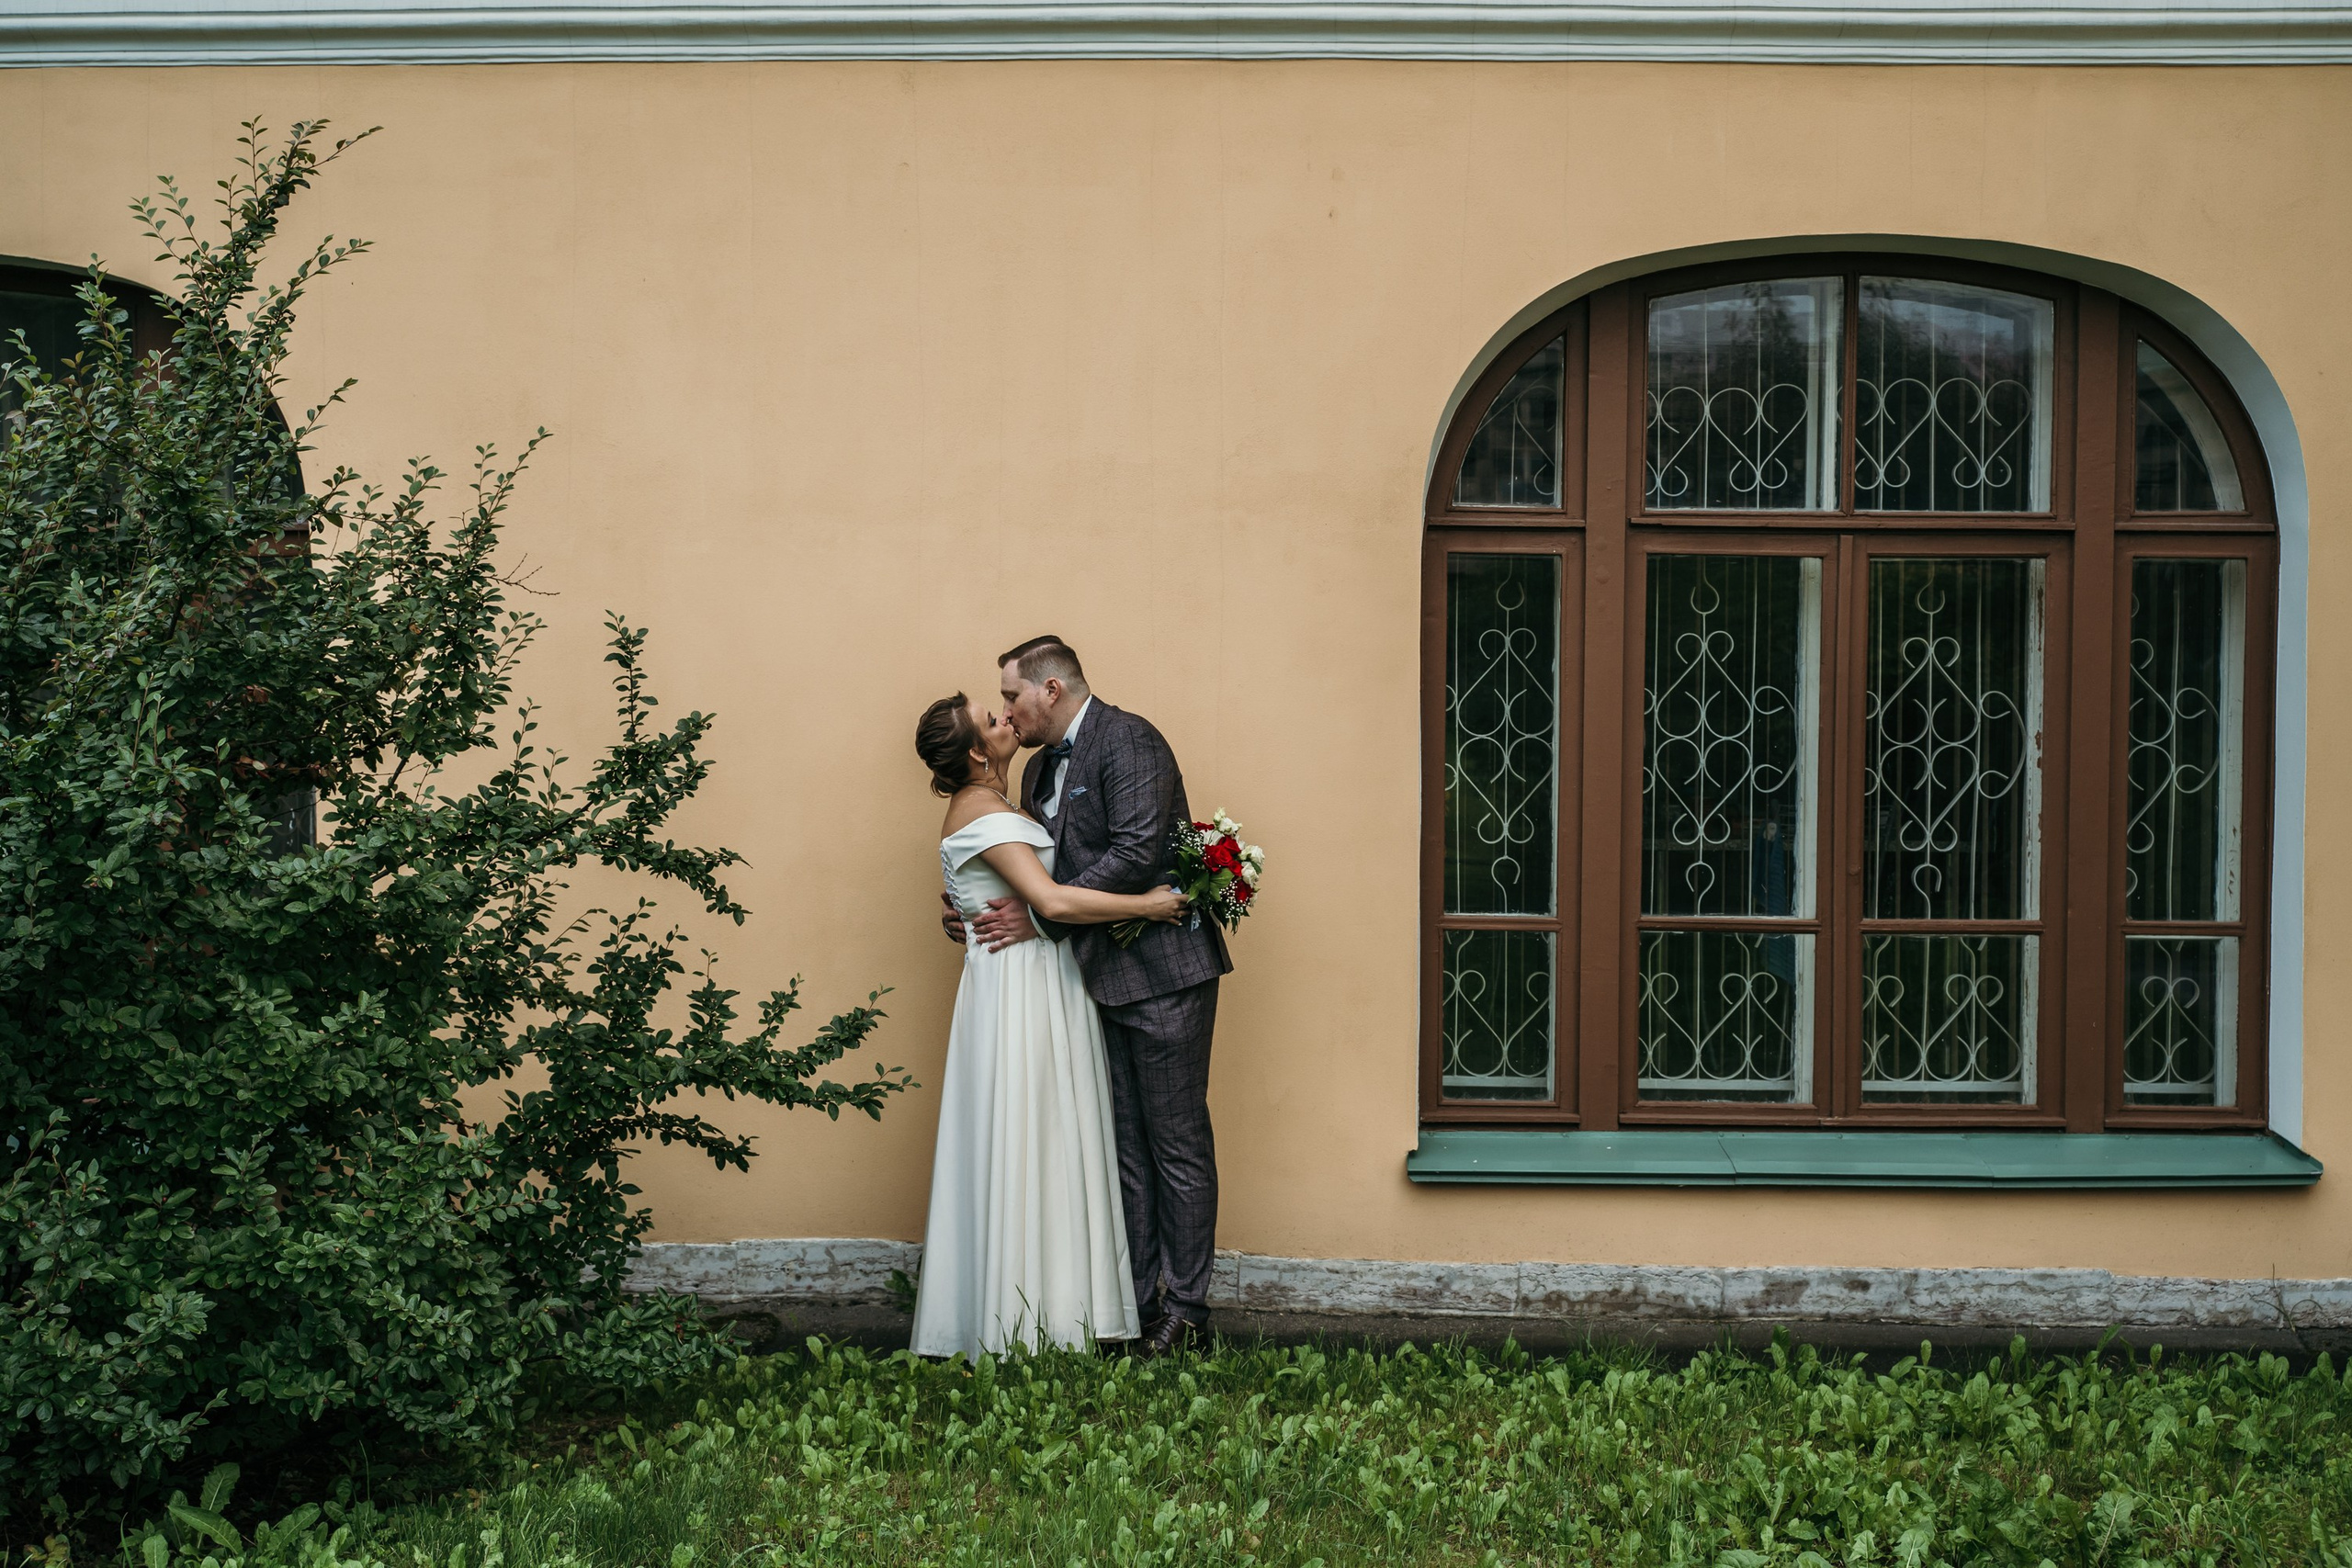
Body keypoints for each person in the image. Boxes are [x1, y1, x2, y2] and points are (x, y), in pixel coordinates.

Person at [942, 637, 1233, 1358]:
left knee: (1176, 1145)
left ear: (1049, 688)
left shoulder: (1129, 738)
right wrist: (972, 905)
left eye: (1009, 696)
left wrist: (1037, 914)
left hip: (1165, 975)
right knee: (1124, 1150)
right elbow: (1028, 861)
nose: (1005, 710)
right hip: (1092, 982)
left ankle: (1188, 1310)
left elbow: (1136, 853)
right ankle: (1131, 1302)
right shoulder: (1037, 768)